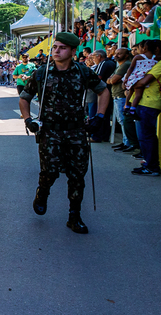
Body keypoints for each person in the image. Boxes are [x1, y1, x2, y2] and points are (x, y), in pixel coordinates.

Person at [20, 32, 111, 234]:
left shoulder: (82, 71)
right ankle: (42, 193)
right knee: (49, 172)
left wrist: (100, 116)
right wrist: (28, 119)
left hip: (77, 131)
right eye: (55, 47)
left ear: (72, 51)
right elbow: (25, 97)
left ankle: (74, 215)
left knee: (77, 175)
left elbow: (103, 91)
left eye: (62, 48)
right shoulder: (42, 72)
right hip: (50, 131)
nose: (57, 51)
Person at [127, 39, 161, 176]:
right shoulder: (151, 60)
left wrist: (131, 83)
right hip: (142, 103)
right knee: (143, 137)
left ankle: (152, 167)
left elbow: (142, 82)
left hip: (149, 104)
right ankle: (149, 162)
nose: (142, 51)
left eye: (144, 48)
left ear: (156, 49)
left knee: (147, 136)